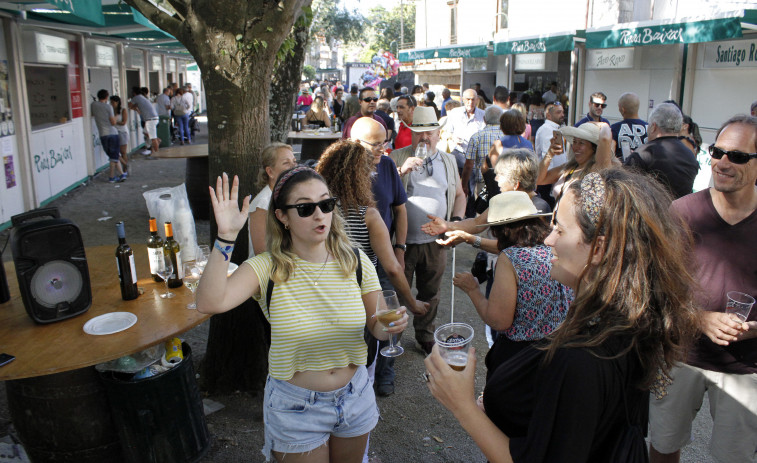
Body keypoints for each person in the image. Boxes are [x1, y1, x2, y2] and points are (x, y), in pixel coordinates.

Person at [425, 167, 700, 462]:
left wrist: (461, 404)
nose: (548, 241)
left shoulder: (582, 355)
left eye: (561, 230)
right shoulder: (626, 318)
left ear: (599, 249)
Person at [196, 169, 408, 463]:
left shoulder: (356, 260)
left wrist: (391, 325)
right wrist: (226, 237)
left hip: (355, 395)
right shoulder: (266, 267)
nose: (320, 215)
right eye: (306, 208)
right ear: (283, 216)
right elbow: (209, 302)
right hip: (296, 407)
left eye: (326, 204)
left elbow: (377, 326)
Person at [649, 115, 757, 463]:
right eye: (717, 151)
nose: (723, 162)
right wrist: (701, 318)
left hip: (746, 367)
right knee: (663, 447)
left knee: (734, 457)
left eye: (737, 156)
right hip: (682, 355)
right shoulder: (682, 213)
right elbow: (655, 288)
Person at [453, 190, 571, 375]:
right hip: (561, 352)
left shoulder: (511, 258)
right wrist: (471, 240)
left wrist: (473, 289)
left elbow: (499, 321)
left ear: (501, 230)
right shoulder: (557, 248)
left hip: (523, 357)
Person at [391, 106, 466, 354]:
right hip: (402, 242)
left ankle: (424, 334)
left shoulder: (449, 160)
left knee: (431, 292)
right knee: (398, 293)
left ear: (437, 133)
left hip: (436, 241)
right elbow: (381, 194)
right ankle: (394, 339)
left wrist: (454, 223)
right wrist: (402, 170)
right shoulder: (396, 157)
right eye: (419, 132)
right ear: (412, 134)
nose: (424, 137)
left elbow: (459, 195)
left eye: (429, 132)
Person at [350, 117, 412, 397]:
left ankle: (385, 372)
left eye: (386, 143)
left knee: (388, 311)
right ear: (354, 143)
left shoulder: (387, 166)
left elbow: (400, 209)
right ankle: (358, 375)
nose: (383, 150)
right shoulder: (338, 172)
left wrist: (400, 247)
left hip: (383, 258)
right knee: (359, 320)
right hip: (349, 265)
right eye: (376, 145)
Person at [623, 103, 698, 199]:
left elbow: (624, 188)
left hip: (651, 212)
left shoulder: (644, 153)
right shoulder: (690, 154)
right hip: (681, 212)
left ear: (653, 126)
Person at [536, 122, 615, 205]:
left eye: (581, 143)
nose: (576, 147)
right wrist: (549, 154)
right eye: (575, 142)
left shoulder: (597, 169)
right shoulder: (569, 167)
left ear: (594, 148)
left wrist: (602, 124)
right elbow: (539, 180)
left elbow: (605, 138)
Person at [248, 143, 297, 258]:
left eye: (294, 161)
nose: (294, 166)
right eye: (286, 163)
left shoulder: (289, 196)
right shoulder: (262, 203)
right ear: (270, 172)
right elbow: (261, 252)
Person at [462, 105, 504, 198]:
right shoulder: (507, 136)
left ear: (484, 119)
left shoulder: (476, 137)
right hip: (504, 183)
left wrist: (464, 185)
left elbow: (469, 165)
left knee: (482, 211)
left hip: (482, 182)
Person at [533, 102, 567, 209]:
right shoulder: (547, 130)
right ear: (549, 115)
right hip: (548, 182)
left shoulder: (556, 128)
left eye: (563, 112)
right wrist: (552, 181)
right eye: (558, 112)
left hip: (554, 179)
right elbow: (547, 156)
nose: (562, 115)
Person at [447, 89, 486, 175]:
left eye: (473, 99)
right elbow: (448, 132)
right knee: (453, 183)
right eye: (468, 99)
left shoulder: (483, 115)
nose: (470, 102)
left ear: (477, 100)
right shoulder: (455, 113)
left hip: (475, 156)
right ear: (463, 99)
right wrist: (454, 138)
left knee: (471, 186)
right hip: (458, 152)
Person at [92, 89, 125, 183]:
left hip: (103, 134)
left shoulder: (93, 105)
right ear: (107, 97)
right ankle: (111, 177)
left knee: (113, 155)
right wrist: (117, 116)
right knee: (113, 157)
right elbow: (113, 122)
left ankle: (122, 174)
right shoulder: (108, 107)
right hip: (112, 133)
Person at [610, 92, 648, 159]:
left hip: (621, 168)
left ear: (622, 109)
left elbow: (610, 154)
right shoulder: (649, 128)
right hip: (645, 168)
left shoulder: (614, 128)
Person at [128, 87, 160, 154]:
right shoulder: (142, 97)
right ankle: (157, 140)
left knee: (153, 139)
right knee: (145, 132)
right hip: (153, 118)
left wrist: (135, 108)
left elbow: (129, 105)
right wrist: (136, 108)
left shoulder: (136, 98)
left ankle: (157, 153)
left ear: (134, 93)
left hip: (150, 119)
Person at [110, 95, 129, 177]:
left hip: (122, 132)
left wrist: (114, 122)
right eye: (111, 102)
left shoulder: (123, 110)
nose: (111, 104)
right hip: (114, 132)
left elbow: (124, 122)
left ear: (117, 102)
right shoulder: (110, 110)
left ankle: (125, 169)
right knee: (115, 151)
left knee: (123, 152)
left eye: (113, 102)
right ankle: (124, 165)